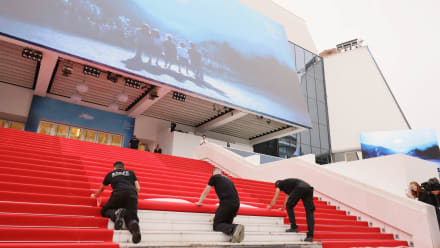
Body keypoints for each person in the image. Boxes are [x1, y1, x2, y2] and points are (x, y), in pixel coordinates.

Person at [91, 161, 141, 243]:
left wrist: (95, 195)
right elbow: (138, 188)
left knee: (104, 210)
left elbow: (102, 188)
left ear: (114, 168)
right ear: (123, 168)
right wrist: (133, 197)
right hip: (132, 195)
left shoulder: (110, 174)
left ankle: (116, 214)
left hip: (118, 194)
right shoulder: (131, 173)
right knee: (131, 217)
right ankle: (134, 225)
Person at [196, 168, 244, 243]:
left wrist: (199, 202)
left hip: (227, 204)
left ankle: (235, 227)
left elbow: (206, 191)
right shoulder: (229, 180)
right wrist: (216, 215)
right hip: (236, 204)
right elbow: (224, 202)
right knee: (226, 224)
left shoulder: (214, 177)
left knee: (216, 225)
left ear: (213, 173)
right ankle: (235, 234)